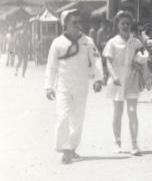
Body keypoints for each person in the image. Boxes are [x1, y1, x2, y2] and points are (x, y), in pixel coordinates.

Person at [44, 9, 104, 164]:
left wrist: (98, 79)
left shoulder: (88, 41)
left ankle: (70, 148)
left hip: (81, 86)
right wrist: (49, 86)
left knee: (77, 120)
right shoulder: (57, 43)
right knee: (63, 117)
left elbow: (96, 60)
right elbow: (51, 66)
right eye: (74, 22)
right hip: (63, 87)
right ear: (66, 25)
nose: (78, 25)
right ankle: (65, 148)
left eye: (79, 21)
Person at [103, 11, 146, 155]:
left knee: (132, 112)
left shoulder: (136, 42)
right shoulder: (112, 42)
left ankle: (134, 144)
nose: (126, 26)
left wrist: (142, 68)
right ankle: (117, 142)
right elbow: (108, 62)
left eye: (128, 23)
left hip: (132, 77)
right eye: (123, 23)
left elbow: (143, 58)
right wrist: (113, 76)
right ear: (117, 25)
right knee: (118, 113)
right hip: (117, 79)